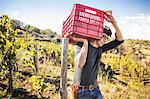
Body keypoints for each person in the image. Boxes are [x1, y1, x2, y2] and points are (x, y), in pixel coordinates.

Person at [70, 10, 124, 99]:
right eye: (103, 36)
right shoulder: (80, 45)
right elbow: (80, 64)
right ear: (96, 34)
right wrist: (85, 42)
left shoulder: (101, 48)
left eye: (107, 38)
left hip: (95, 89)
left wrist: (113, 21)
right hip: (82, 91)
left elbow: (120, 40)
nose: (105, 40)